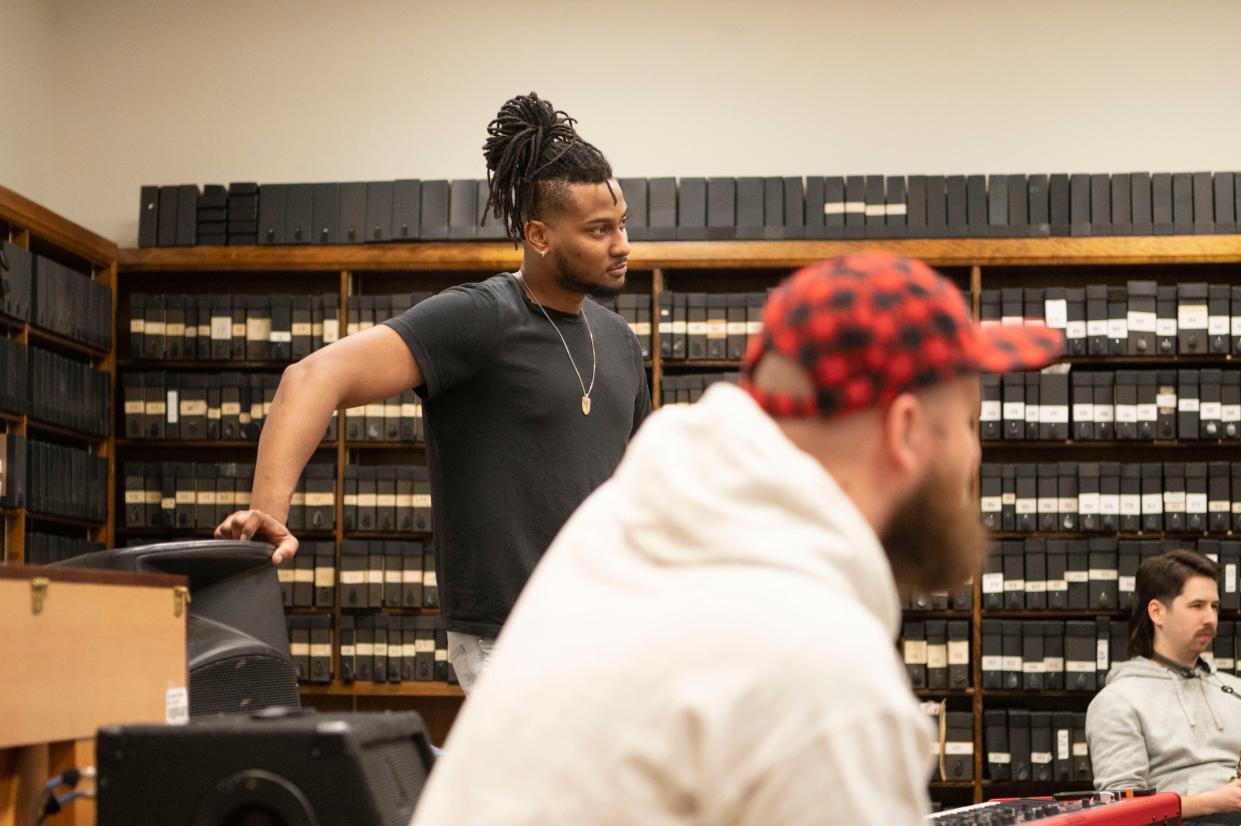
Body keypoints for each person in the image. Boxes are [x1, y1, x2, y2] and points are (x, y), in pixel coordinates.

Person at [409, 251, 1062, 826]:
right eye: (967, 424)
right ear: (907, 429)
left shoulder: (621, 534)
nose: (972, 459)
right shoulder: (820, 672)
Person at [215, 92, 651, 692]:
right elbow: (313, 377)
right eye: (599, 230)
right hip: (510, 641)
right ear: (539, 235)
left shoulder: (621, 342)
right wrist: (268, 512)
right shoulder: (482, 317)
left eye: (622, 223)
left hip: (607, 632)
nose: (622, 244)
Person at [1087, 550, 1241, 825]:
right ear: (1157, 612)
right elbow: (1121, 809)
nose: (1211, 619)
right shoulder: (1117, 701)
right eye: (1197, 606)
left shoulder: (1233, 689)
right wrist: (1216, 801)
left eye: (1214, 606)